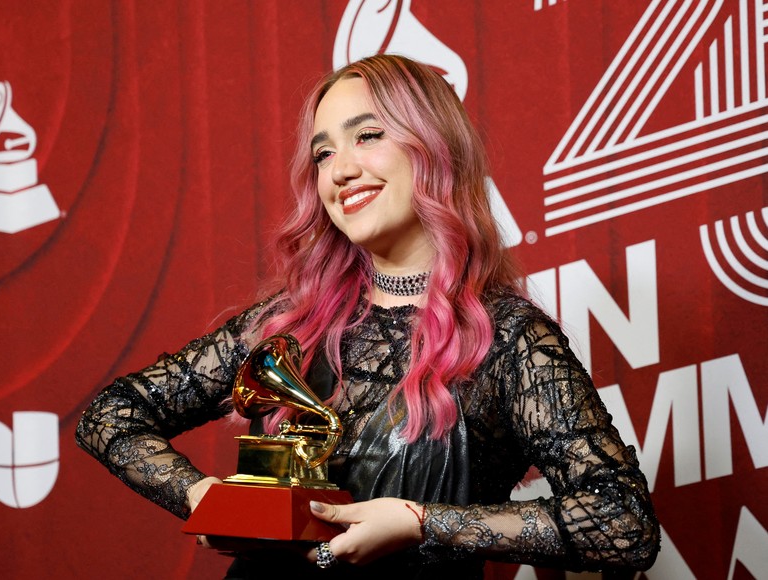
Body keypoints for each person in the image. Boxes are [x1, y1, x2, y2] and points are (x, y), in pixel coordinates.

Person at [76, 54, 660, 579]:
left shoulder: (508, 337)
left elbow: (623, 521)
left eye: (368, 136)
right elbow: (109, 415)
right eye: (323, 152)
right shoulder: (289, 324)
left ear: (432, 148)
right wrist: (203, 495)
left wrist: (420, 521)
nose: (339, 170)